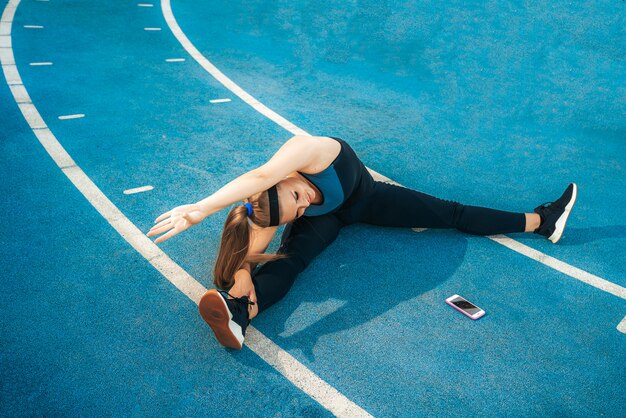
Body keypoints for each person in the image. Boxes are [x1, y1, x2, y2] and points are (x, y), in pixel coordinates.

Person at [147, 135, 577, 350]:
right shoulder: (274, 208)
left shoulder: (306, 151)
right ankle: (242, 313)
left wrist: (200, 208)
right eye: (298, 209)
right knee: (289, 259)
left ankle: (543, 221)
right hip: (335, 220)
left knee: (452, 214)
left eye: (299, 195)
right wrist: (239, 278)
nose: (305, 202)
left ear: (288, 177)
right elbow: (252, 248)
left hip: (370, 200)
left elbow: (261, 176)